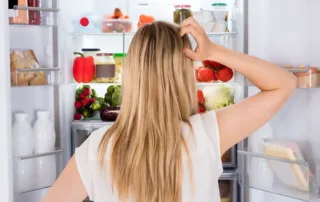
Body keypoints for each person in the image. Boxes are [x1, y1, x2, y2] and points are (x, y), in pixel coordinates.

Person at [43, 18, 297, 202]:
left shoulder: (96, 148)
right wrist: (214, 51)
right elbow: (285, 84)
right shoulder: (208, 133)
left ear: (131, 74)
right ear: (183, 73)